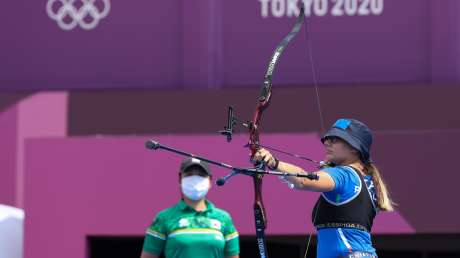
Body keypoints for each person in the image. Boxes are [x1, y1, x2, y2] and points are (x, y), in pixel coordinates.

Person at [253, 118, 394, 258]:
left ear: (354, 147)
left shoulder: (344, 175)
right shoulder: (367, 179)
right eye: (327, 139)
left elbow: (303, 181)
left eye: (334, 139)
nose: (327, 143)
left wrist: (274, 163)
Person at [140, 158, 240, 258]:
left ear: (210, 181)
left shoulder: (224, 218)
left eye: (200, 175)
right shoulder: (163, 218)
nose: (195, 180)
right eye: (189, 174)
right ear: (180, 179)